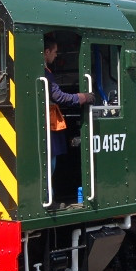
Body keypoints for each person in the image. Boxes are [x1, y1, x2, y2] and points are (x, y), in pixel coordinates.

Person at [44, 35, 95, 200]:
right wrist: (83, 97)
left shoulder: (46, 72)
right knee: (49, 164)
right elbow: (59, 96)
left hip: (48, 124)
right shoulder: (45, 74)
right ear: (46, 52)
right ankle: (48, 197)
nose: (56, 55)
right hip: (47, 125)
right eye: (55, 52)